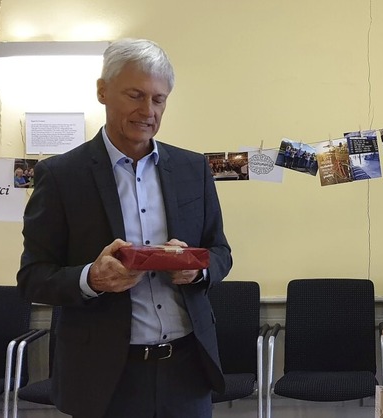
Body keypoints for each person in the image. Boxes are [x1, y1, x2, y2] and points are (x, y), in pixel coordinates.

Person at [17, 39, 232, 418]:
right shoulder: (60, 175)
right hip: (103, 376)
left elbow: (220, 252)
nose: (147, 111)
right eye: (135, 95)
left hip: (187, 370)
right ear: (102, 91)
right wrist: (91, 278)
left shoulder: (192, 169)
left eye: (158, 99)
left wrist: (198, 269)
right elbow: (33, 276)